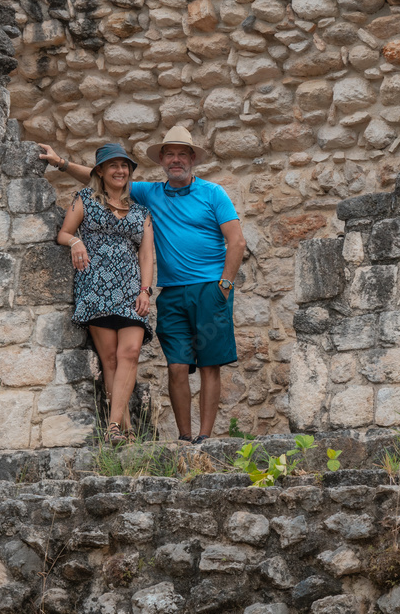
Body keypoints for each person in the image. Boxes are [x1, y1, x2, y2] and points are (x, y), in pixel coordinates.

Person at [39, 126, 246, 444]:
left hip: (210, 287)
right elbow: (103, 182)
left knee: (209, 364)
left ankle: (204, 436)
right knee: (177, 366)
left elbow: (236, 241)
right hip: (173, 291)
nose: (176, 160)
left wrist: (226, 285)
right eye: (170, 154)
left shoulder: (213, 193)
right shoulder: (149, 194)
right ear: (163, 159)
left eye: (182, 154)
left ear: (192, 158)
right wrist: (61, 163)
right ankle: (184, 437)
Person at [44, 142, 154, 446]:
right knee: (110, 359)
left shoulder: (142, 211)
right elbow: (64, 233)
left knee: (129, 352)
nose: (120, 171)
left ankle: (113, 425)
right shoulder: (85, 200)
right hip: (95, 288)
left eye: (125, 166)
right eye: (113, 166)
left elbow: (147, 255)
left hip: (131, 289)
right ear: (100, 172)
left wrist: (146, 290)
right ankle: (124, 429)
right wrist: (75, 243)